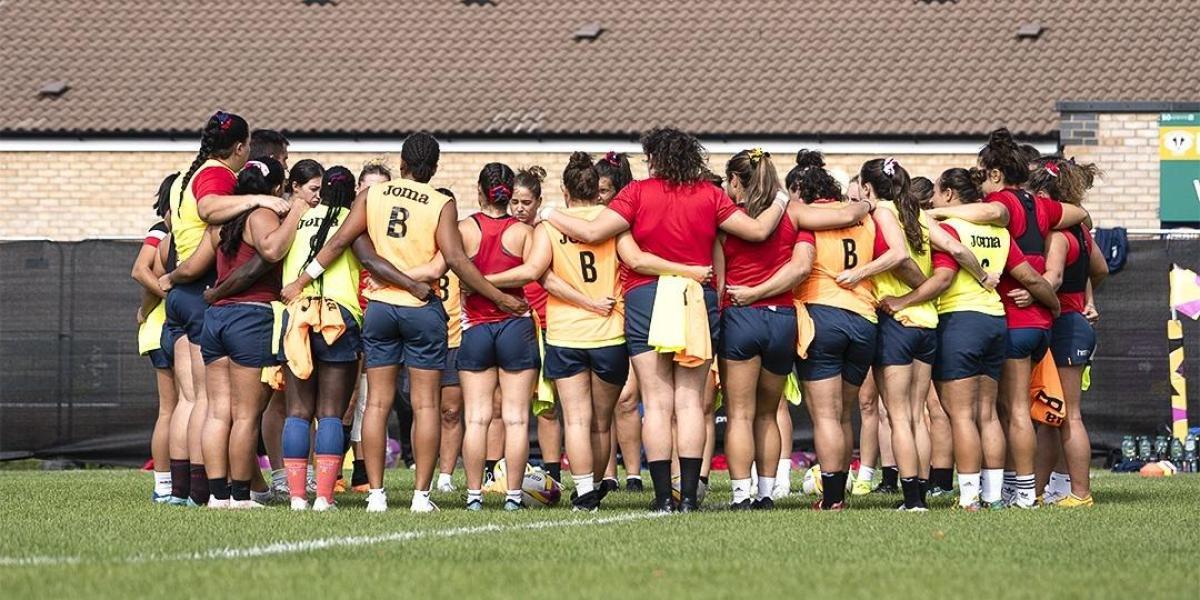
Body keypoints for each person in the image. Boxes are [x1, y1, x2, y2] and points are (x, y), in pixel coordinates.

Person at [543, 129, 866, 512]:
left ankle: (663, 497)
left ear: (655, 160)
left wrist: (550, 214)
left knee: (657, 404)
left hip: (647, 297)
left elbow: (593, 231)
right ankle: (689, 497)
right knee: (691, 404)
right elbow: (758, 230)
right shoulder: (710, 195)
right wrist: (782, 199)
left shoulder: (636, 193)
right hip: (697, 297)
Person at [283, 133, 522, 513]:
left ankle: (376, 495)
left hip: (380, 307)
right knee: (426, 406)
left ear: (402, 163)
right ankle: (420, 497)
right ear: (435, 167)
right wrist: (499, 297)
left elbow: (338, 242)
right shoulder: (441, 203)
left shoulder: (373, 195)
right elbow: (456, 260)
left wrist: (300, 281)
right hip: (421, 307)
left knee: (376, 404)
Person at [928, 128, 1082, 508]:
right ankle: (1010, 488)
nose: (980, 184)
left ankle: (1020, 492)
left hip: (1008, 319)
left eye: (984, 174)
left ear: (996, 174)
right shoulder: (1039, 206)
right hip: (1031, 322)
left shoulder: (999, 205)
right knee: (999, 412)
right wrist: (1051, 301)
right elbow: (1082, 215)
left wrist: (933, 213)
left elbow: (991, 212)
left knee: (1006, 411)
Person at [161, 111, 287, 506]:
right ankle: (235, 494)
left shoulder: (187, 179)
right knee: (241, 413)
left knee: (202, 404)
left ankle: (199, 492)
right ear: (239, 147)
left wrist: (171, 277)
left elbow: (180, 239)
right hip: (228, 304)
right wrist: (269, 202)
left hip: (201, 302)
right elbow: (212, 210)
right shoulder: (220, 178)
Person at [859, 157, 991, 510]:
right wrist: (983, 278)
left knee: (899, 417)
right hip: (928, 324)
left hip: (896, 322)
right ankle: (920, 493)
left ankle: (913, 500)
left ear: (868, 188)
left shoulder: (882, 212)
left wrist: (859, 275)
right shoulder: (916, 213)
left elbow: (898, 257)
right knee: (918, 416)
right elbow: (957, 249)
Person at [189, 156, 299, 508]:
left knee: (218, 412)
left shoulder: (224, 221)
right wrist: (296, 211)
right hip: (250, 317)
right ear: (275, 187)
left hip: (216, 319)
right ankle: (240, 495)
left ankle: (217, 495)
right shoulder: (262, 214)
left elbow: (196, 264)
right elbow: (272, 250)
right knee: (246, 415)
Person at [714, 149, 798, 510]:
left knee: (740, 414)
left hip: (741, 316)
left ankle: (740, 494)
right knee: (768, 412)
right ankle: (765, 493)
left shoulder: (728, 220)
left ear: (735, 180)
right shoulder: (791, 214)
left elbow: (719, 283)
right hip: (782, 319)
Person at [1027, 158, 1107, 507]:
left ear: (1045, 195)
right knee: (1051, 415)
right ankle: (1036, 491)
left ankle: (1081, 494)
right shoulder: (1082, 232)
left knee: (1070, 415)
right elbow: (1100, 269)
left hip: (1067, 327)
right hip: (1073, 322)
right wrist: (1087, 298)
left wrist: (1030, 292)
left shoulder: (1058, 235)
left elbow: (1055, 277)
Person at [508, 166, 564, 484]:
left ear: (538, 202)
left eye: (526, 203)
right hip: (510, 323)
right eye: (514, 202)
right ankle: (495, 471)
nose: (519, 208)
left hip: (544, 323)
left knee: (546, 404)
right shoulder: (503, 232)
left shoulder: (547, 232)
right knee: (504, 404)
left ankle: (553, 473)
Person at [595, 151, 643, 492]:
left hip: (630, 309)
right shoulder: (591, 221)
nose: (599, 197)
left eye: (605, 191)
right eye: (595, 190)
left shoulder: (629, 221)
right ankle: (608, 472)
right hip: (599, 313)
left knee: (627, 398)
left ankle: (635, 473)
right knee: (605, 400)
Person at [132, 174, 179, 503]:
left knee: (178, 409)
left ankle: (173, 484)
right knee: (172, 409)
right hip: (165, 327)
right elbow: (141, 270)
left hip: (165, 326)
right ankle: (164, 484)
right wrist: (164, 296)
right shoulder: (161, 231)